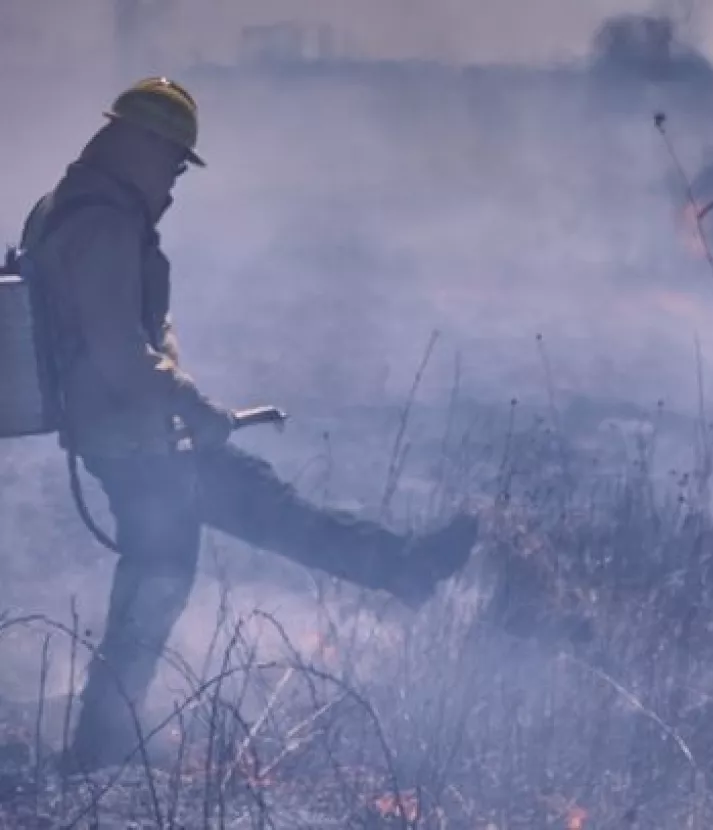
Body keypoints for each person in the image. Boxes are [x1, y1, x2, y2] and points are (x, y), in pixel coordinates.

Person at [18, 77, 479, 773]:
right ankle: (98, 752)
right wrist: (192, 403)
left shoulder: (70, 206)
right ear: (138, 144)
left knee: (236, 527)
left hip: (131, 435)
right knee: (168, 575)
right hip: (133, 439)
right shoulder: (104, 222)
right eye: (173, 160)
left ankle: (404, 567)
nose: (175, 177)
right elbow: (116, 348)